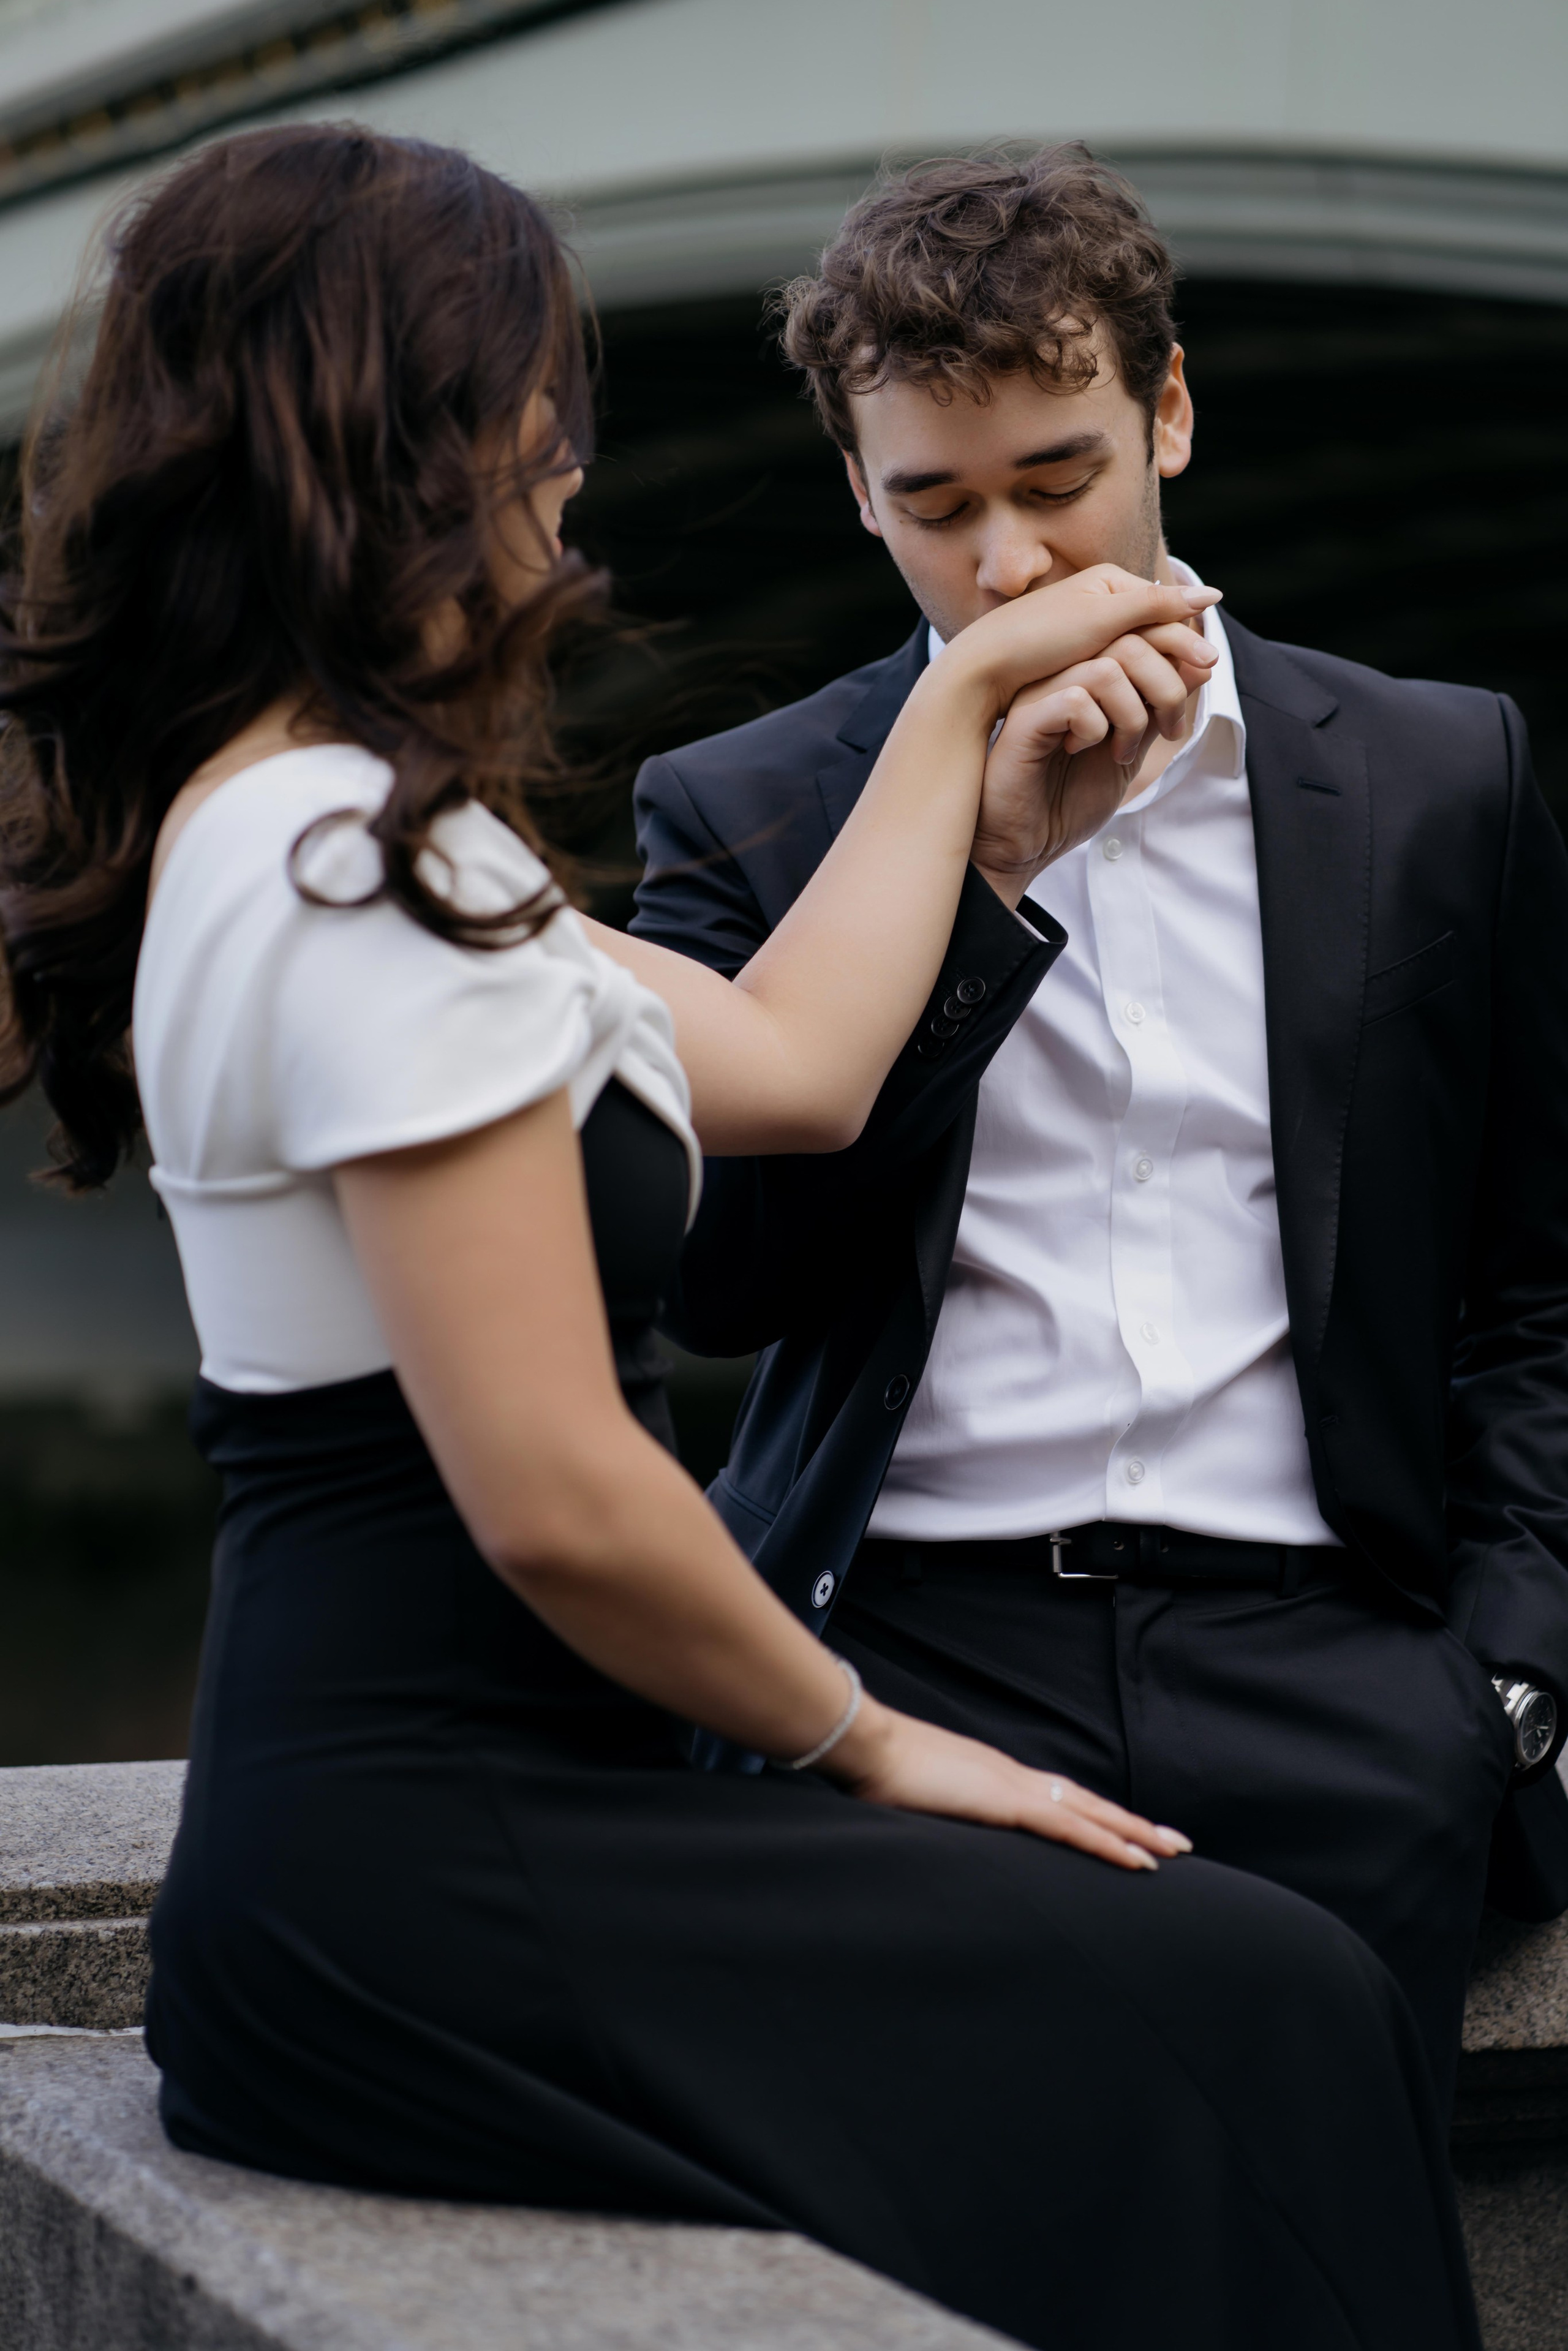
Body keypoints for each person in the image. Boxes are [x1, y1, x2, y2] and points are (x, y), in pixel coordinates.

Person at [0, 126, 1483, 2351]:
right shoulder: (343, 867)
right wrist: (874, 1740)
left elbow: (794, 1060)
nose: (571, 487)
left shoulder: (359, 830)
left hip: (499, 1812)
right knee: (1251, 2004)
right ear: (419, 438)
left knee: (1255, 2006)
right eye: (541, 416)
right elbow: (568, 1493)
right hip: (430, 1865)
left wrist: (972, 720)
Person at [629, 145, 1568, 2118]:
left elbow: (1535, 1273)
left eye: (1060, 480)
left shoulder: (1435, 769)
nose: (1008, 570)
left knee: (1325, 2247)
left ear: (1170, 412)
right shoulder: (744, 805)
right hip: (904, 1647)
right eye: (936, 508)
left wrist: (1501, 1672)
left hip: (1339, 1663)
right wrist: (972, 894)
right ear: (858, 493)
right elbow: (721, 1288)